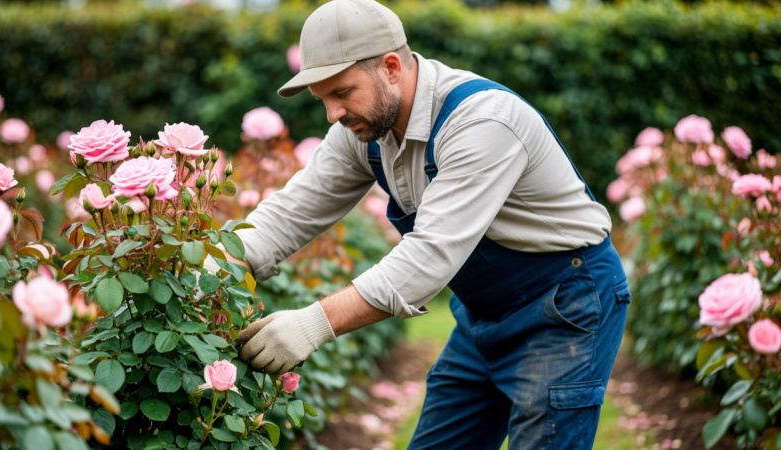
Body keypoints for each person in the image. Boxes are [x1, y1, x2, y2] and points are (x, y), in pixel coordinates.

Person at [210, 0, 631, 447]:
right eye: (323, 100)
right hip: (483, 313)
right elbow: (291, 211)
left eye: (343, 93)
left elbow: (430, 255)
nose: (332, 114)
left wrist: (314, 324)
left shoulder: (482, 121)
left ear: (391, 66)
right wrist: (214, 266)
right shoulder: (364, 130)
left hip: (565, 303)